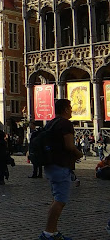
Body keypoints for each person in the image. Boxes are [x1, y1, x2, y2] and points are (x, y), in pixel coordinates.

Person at [39, 99, 83, 240]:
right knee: (60, 200)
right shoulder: (65, 124)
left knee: (56, 198)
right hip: (61, 165)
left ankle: (53, 231)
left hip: (51, 164)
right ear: (65, 109)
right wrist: (79, 153)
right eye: (70, 108)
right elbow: (69, 145)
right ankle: (48, 233)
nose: (71, 110)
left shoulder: (51, 123)